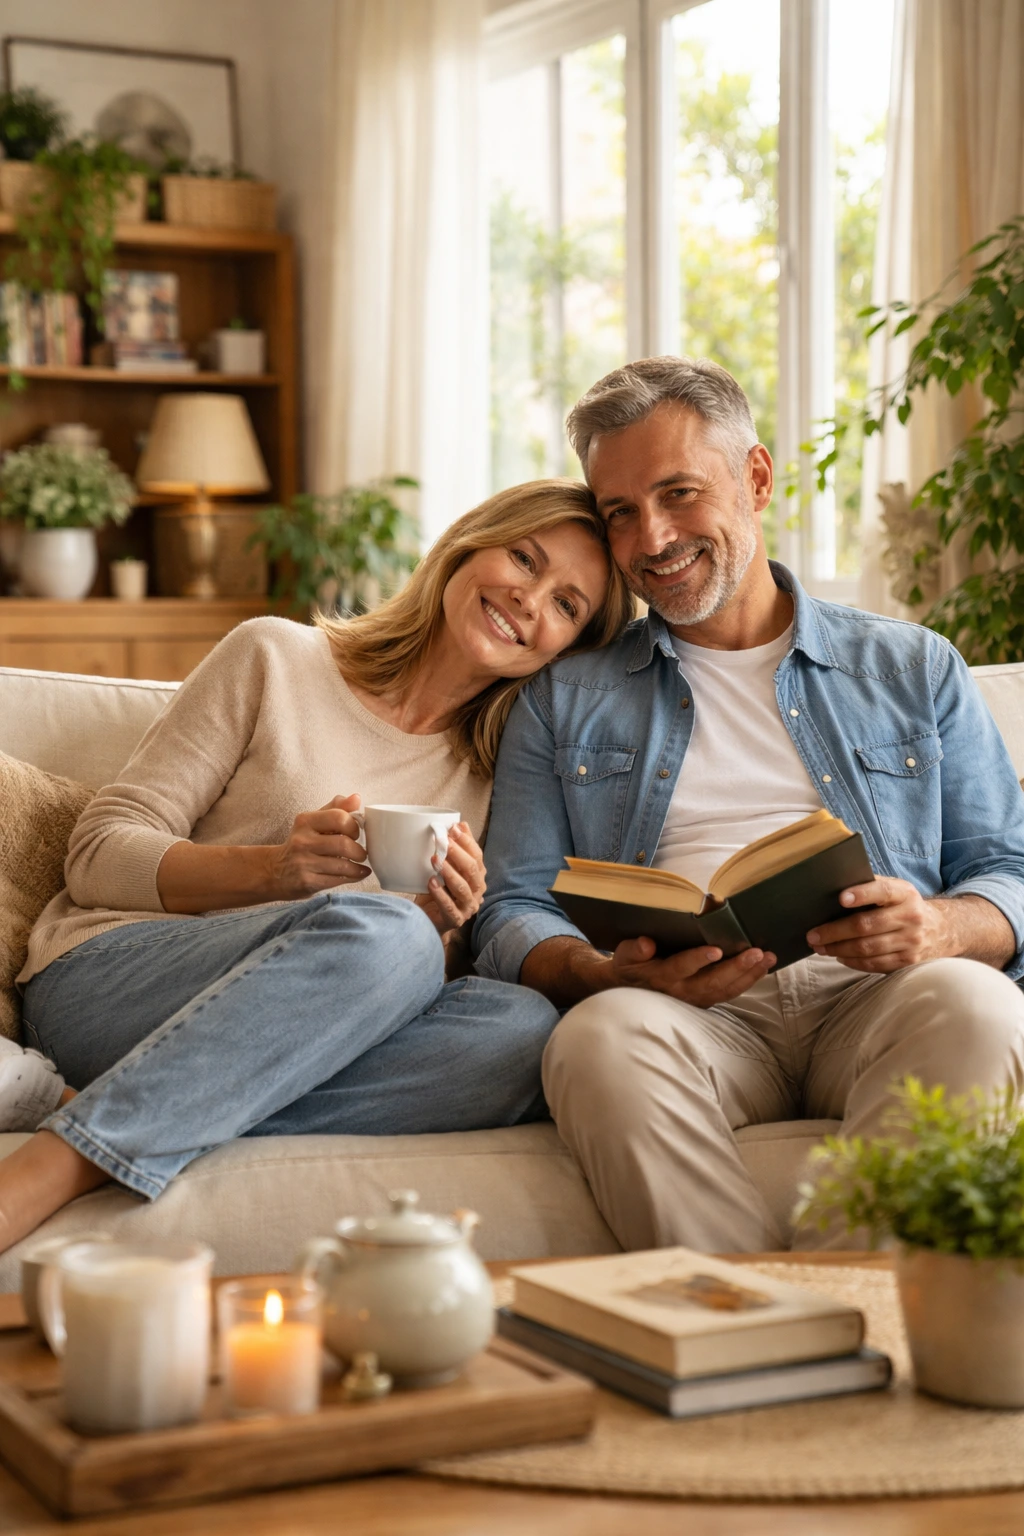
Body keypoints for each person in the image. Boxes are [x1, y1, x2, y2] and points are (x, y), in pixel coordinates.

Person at [474, 356, 1024, 1254]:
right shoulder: (564, 698)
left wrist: (941, 929)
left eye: (679, 493)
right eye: (620, 512)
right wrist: (606, 975)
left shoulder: (914, 668)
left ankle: (853, 1316)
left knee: (980, 1006)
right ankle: (746, 1330)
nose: (652, 539)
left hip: (880, 996)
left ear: (756, 478)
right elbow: (512, 907)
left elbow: (1012, 871)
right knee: (596, 1041)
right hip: (689, 1015)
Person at [0, 479, 633, 1255]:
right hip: (111, 979)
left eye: (567, 604)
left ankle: (120, 1111)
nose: (530, 600)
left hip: (281, 1030)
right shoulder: (275, 656)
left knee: (525, 1031)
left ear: (572, 646)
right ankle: (63, 1163)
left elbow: (398, 974)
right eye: (524, 558)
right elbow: (97, 854)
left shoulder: (503, 776)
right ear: (469, 547)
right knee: (391, 934)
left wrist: (442, 929)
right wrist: (273, 870)